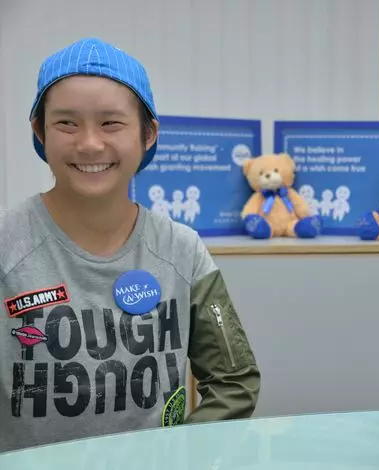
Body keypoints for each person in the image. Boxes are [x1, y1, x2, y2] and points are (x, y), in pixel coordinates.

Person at [0, 38, 260, 453]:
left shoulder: (182, 251)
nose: (89, 143)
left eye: (111, 123)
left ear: (148, 133)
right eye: (66, 123)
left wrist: (184, 456)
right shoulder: (7, 246)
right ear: (39, 131)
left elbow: (235, 380)